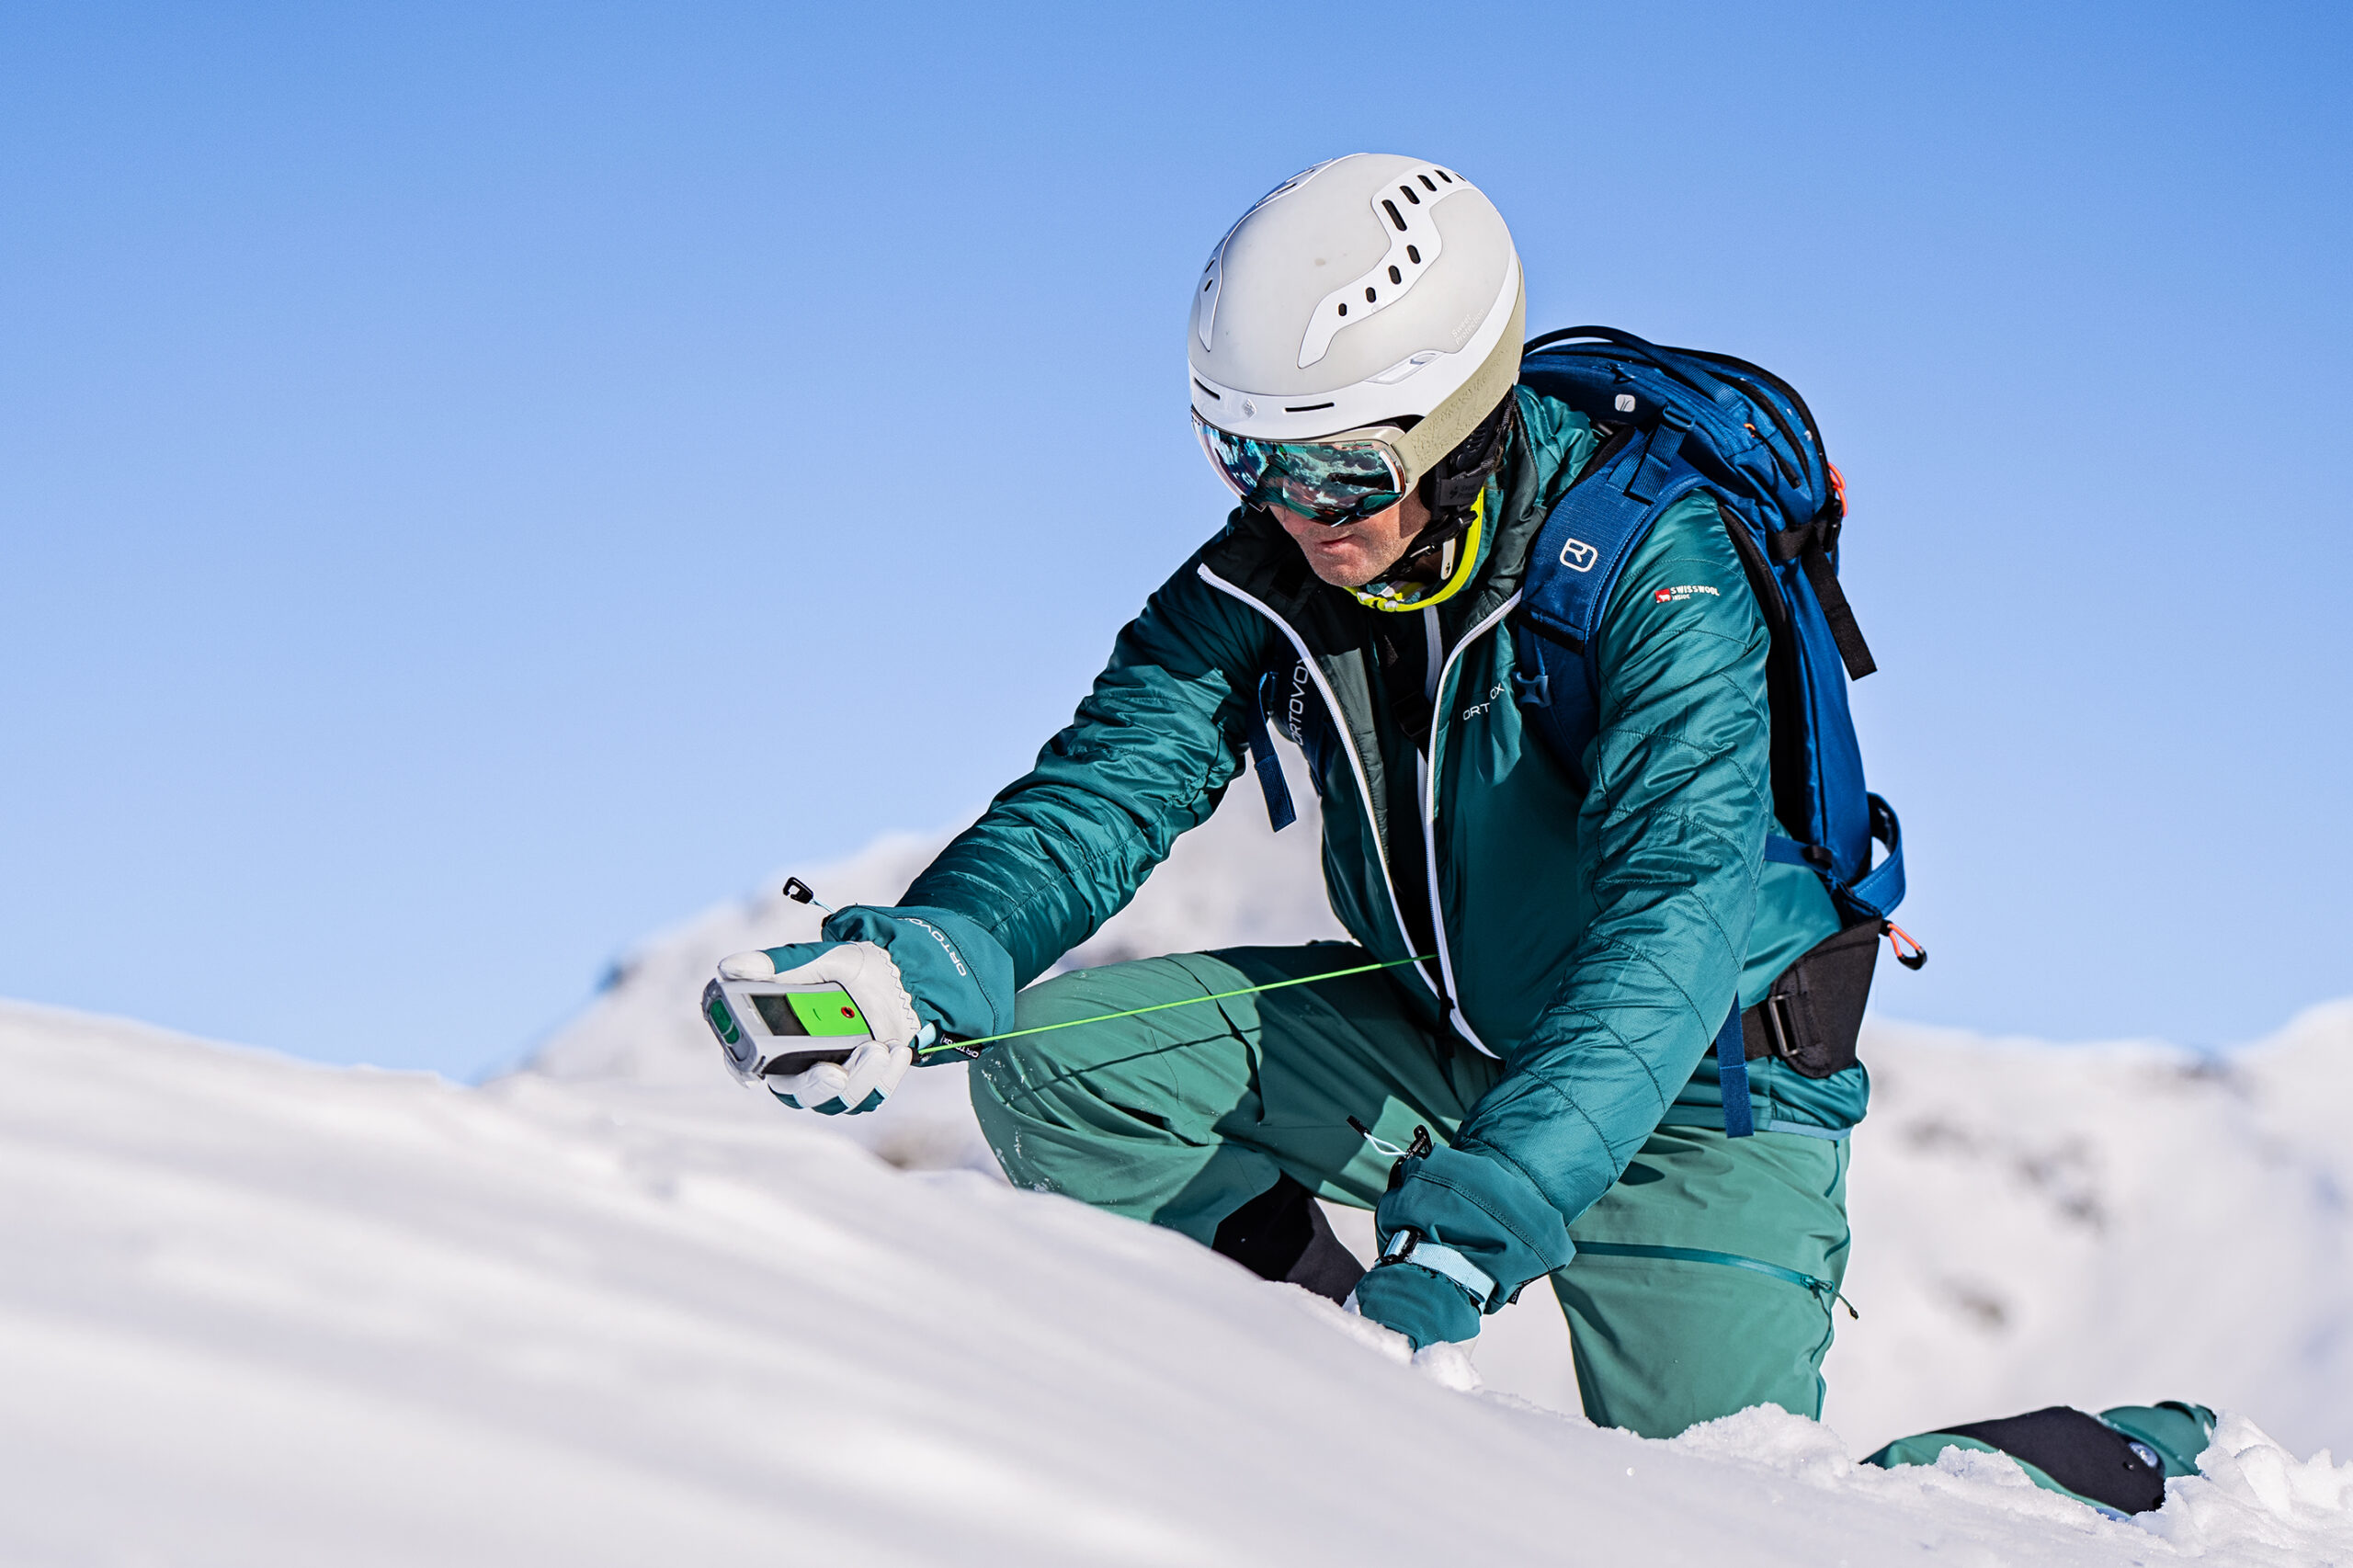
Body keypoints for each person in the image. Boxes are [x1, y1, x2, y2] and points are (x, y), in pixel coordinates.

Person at [722, 152, 1864, 1440]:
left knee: (1739, 1507)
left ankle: (2102, 1467)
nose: (1295, 510)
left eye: (1339, 470)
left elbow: (1672, 927)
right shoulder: (1283, 561)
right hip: (1441, 1045)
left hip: (1700, 1095)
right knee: (1058, 1073)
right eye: (1246, 457)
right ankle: (1324, 1379)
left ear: (1461, 423)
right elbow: (1107, 785)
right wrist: (924, 958)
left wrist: (1477, 1218)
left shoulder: (1665, 568)